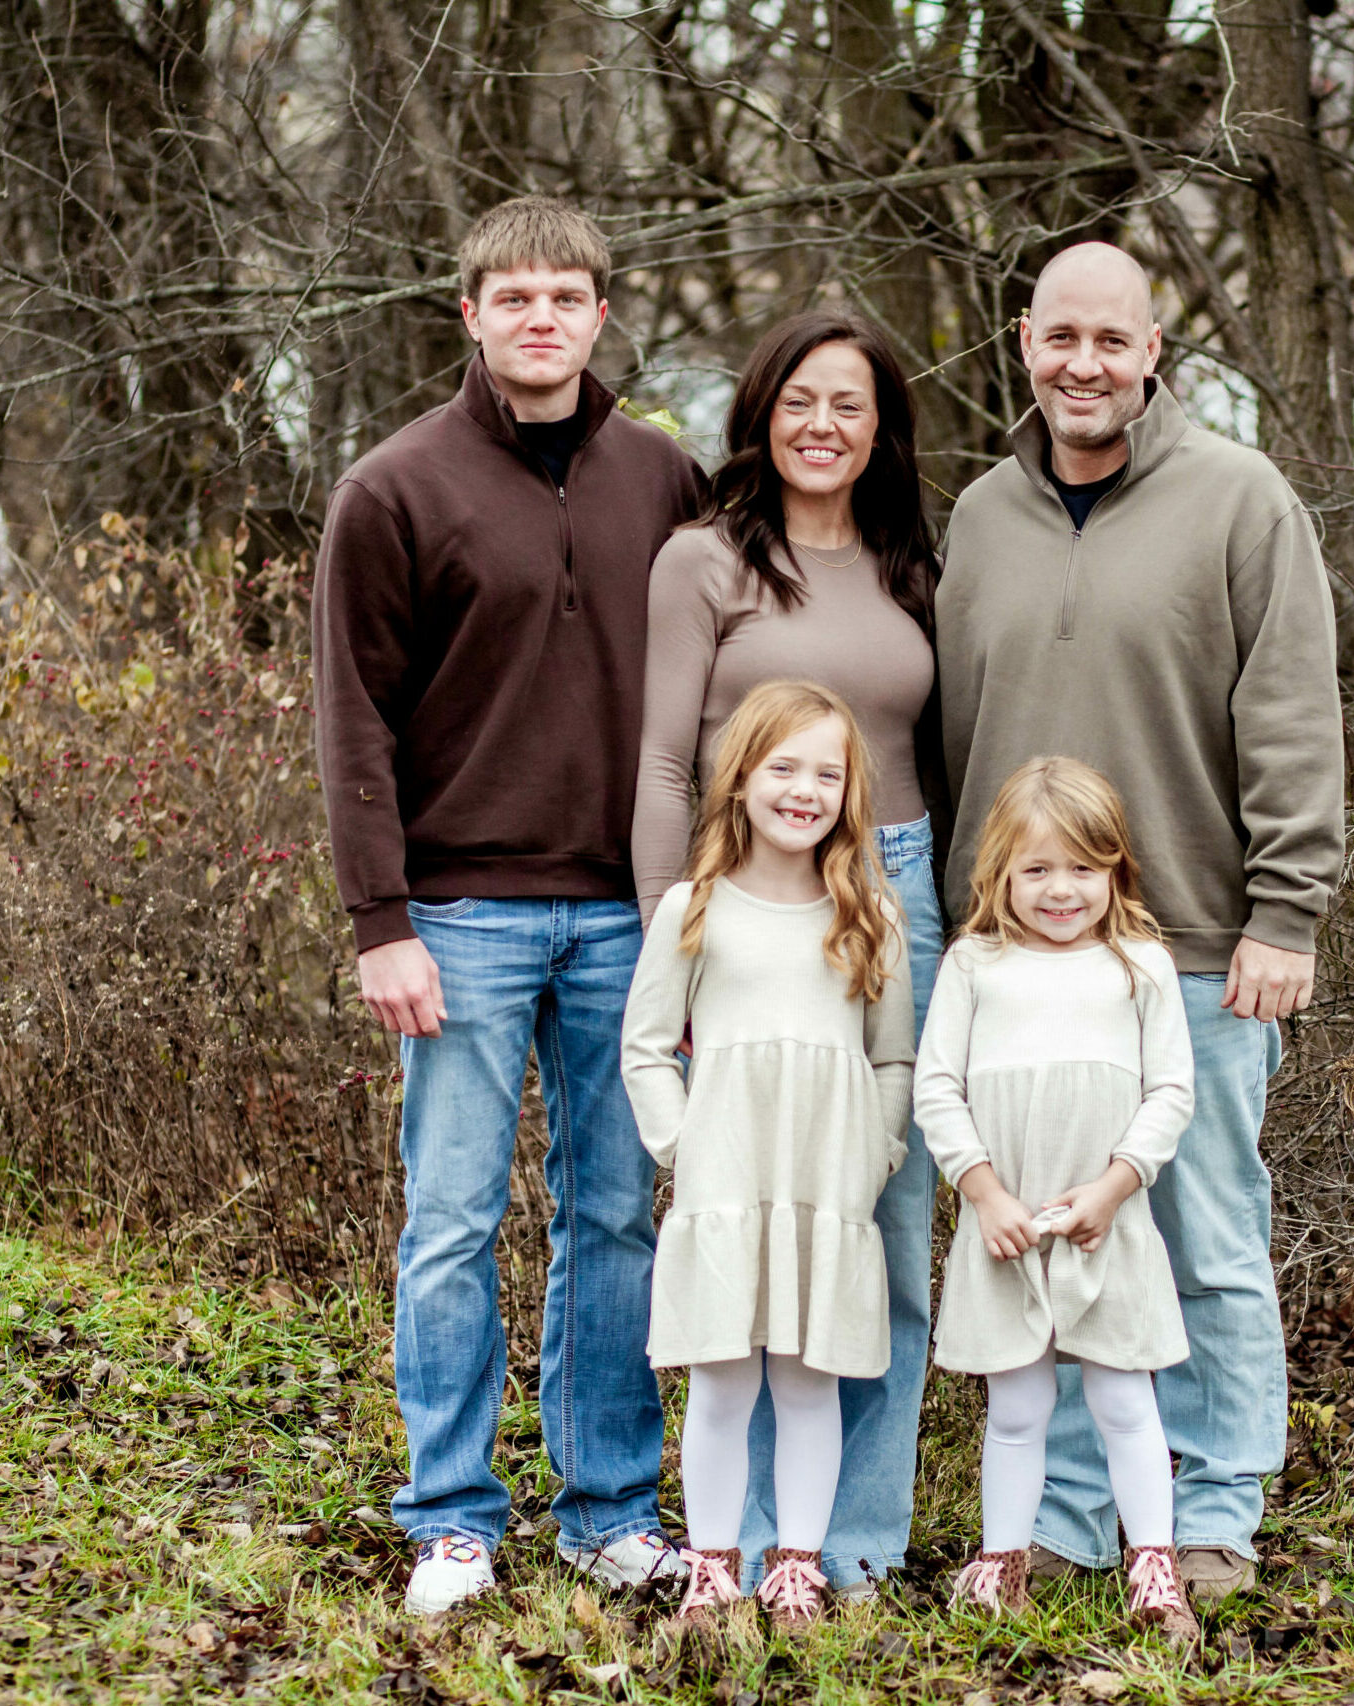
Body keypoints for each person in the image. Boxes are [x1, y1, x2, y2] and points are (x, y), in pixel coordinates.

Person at [311, 195, 708, 1616]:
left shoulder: (664, 479)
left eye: (566, 295)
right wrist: (381, 920)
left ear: (601, 313)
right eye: (514, 296)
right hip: (460, 914)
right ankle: (452, 1519)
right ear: (470, 314)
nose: (542, 317)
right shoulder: (393, 488)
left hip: (627, 914)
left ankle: (609, 1509)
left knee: (615, 1218)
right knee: (451, 1219)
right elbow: (353, 719)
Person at [935, 241, 1345, 1601]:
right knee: (1058, 1238)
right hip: (1013, 966)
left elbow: (1291, 713)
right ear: (1022, 341)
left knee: (1209, 1244)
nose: (1083, 364)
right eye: (1060, 337)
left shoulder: (1239, 499)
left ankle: (1214, 1504)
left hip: (1196, 952)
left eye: (1111, 339)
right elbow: (948, 737)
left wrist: (1285, 908)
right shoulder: (981, 514)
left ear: (1153, 350)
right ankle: (1064, 1518)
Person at [631, 310, 942, 1594]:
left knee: (878, 1230)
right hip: (739, 897)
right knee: (747, 1241)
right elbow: (665, 761)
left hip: (893, 890)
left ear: (881, 428)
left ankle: (844, 1542)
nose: (822, 425)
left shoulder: (910, 561)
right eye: (798, 400)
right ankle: (739, 1541)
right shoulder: (702, 560)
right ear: (759, 415)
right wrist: (674, 933)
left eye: (849, 404)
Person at [621, 681, 915, 1634]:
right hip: (725, 1187)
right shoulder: (694, 909)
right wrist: (684, 1145)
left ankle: (795, 1567)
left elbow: (894, 1057)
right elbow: (646, 1047)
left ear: (850, 791)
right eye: (784, 768)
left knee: (807, 1382)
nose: (805, 791)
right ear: (740, 778)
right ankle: (712, 1570)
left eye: (828, 774)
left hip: (825, 1191)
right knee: (721, 1383)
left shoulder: (870, 912)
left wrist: (875, 1154)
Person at [914, 758, 1198, 1647]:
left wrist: (1115, 1187)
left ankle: (1153, 1566)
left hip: (1105, 1224)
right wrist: (983, 1193)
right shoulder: (975, 965)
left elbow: (1171, 1093)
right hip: (1006, 1226)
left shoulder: (1140, 966)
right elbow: (937, 1089)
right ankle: (1002, 1565)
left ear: (1116, 869)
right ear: (999, 872)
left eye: (1082, 866)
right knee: (1017, 1409)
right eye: (1036, 869)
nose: (1061, 889)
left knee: (1124, 1400)